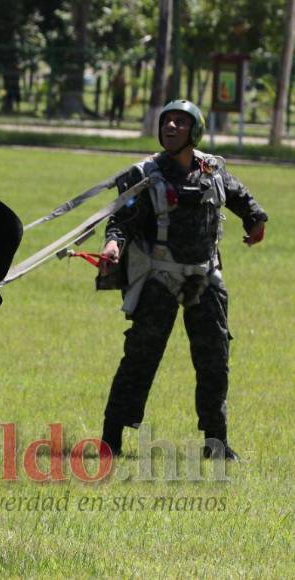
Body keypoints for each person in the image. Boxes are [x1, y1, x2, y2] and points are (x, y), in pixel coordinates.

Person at [97, 99, 268, 460]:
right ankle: (111, 437)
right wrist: (113, 245)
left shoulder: (212, 168)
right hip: (160, 277)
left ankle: (216, 441)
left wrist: (255, 219)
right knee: (140, 356)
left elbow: (240, 196)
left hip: (205, 277)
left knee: (214, 358)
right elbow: (122, 219)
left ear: (196, 131)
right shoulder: (144, 175)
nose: (171, 127)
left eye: (180, 122)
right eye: (166, 122)